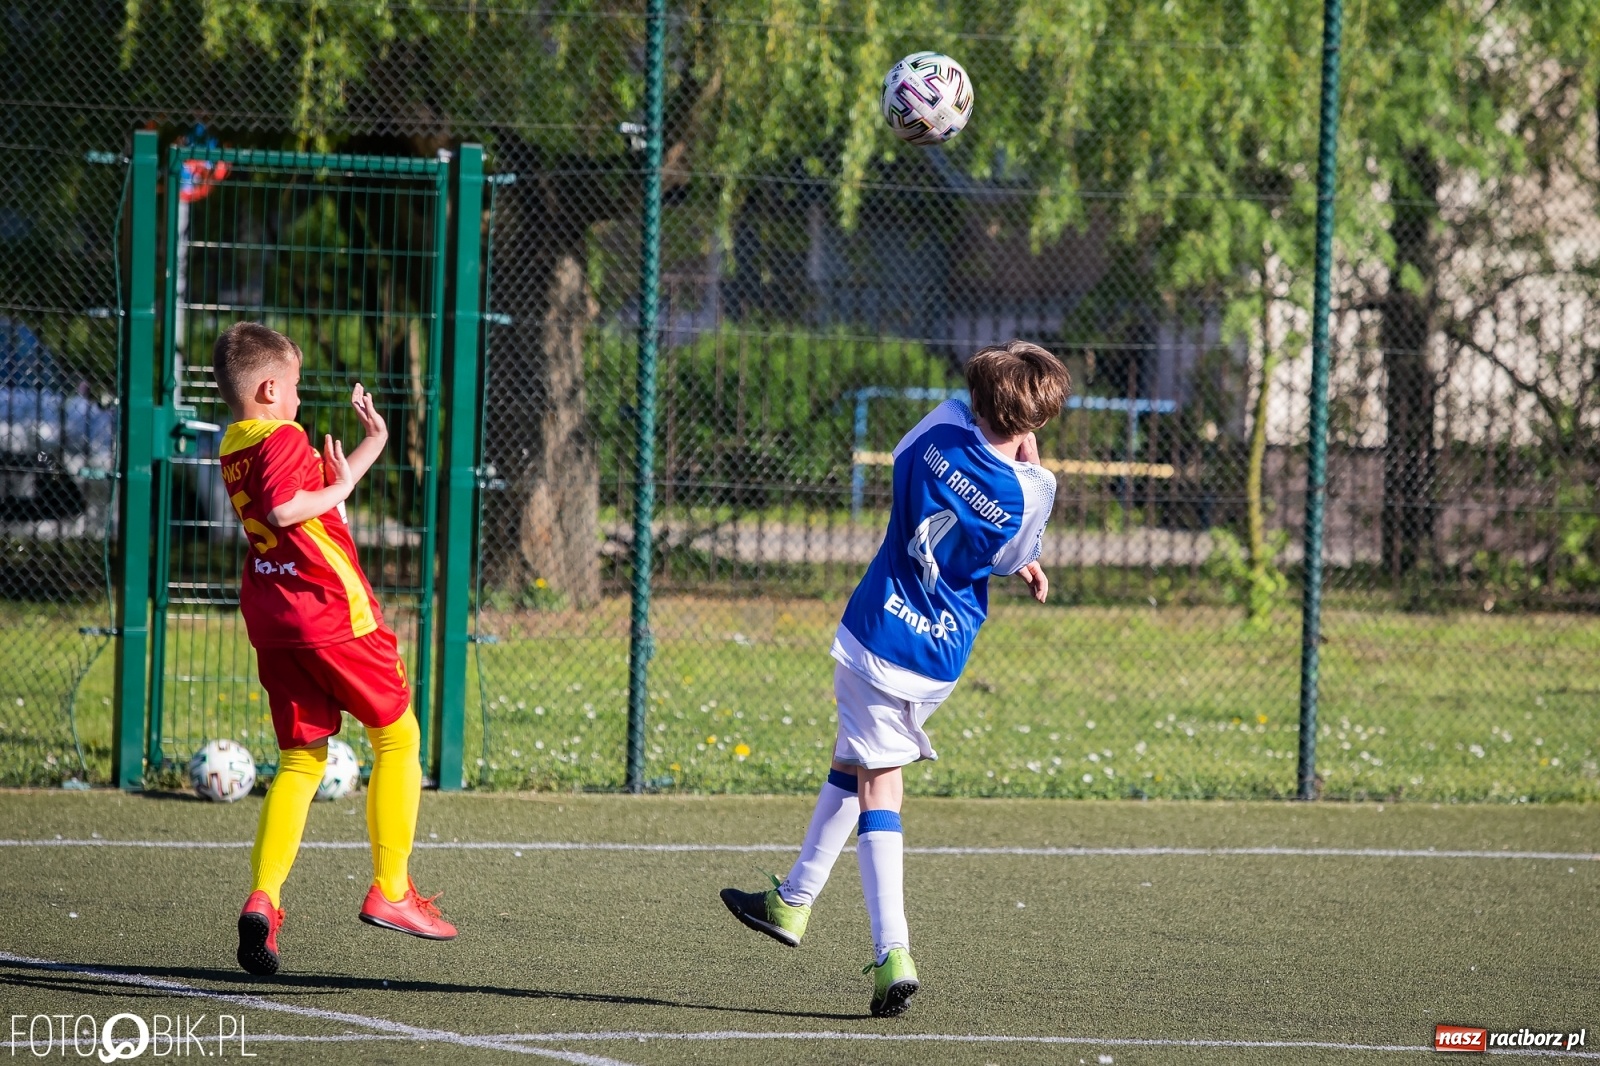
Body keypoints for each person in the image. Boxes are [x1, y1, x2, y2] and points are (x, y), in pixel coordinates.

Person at [720, 339, 1069, 1017]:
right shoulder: (1035, 491)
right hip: (940, 654)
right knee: (856, 757)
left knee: (881, 779)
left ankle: (892, 953)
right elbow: (1011, 552)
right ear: (1035, 424)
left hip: (878, 632)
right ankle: (792, 901)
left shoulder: (937, 426)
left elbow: (913, 461)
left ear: (977, 401)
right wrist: (1025, 467)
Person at [212, 322, 456, 976]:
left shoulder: (238, 444)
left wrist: (370, 446)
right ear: (268, 388)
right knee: (398, 738)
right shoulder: (282, 437)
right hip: (331, 613)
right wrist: (338, 488)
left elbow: (315, 503)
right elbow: (293, 509)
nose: (295, 401)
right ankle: (393, 891)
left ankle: (263, 901)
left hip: (274, 618)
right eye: (290, 387)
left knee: (300, 761)